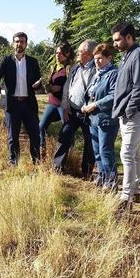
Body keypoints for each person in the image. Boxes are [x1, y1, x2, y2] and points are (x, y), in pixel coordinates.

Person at [111, 22, 140, 213]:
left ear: (129, 37)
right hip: (127, 111)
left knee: (126, 153)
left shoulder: (139, 55)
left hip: (136, 112)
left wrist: (129, 110)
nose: (115, 44)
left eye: (118, 39)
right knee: (133, 152)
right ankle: (135, 189)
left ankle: (125, 198)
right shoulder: (127, 56)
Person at [0, 32, 42, 165]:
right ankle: (13, 163)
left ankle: (36, 162)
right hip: (12, 104)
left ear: (26, 44)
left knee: (34, 135)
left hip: (29, 104)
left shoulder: (33, 62)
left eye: (22, 41)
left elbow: (38, 82)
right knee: (12, 137)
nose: (19, 44)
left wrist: (38, 85)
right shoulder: (6, 60)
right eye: (16, 41)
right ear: (13, 43)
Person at [52, 39, 97, 178]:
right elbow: (67, 88)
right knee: (64, 136)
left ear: (89, 54)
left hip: (89, 113)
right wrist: (65, 107)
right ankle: (57, 168)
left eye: (80, 51)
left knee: (90, 142)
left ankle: (86, 171)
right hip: (72, 111)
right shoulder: (75, 68)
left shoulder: (97, 69)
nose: (77, 54)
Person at [83, 43, 119, 190]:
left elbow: (113, 95)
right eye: (95, 58)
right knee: (97, 151)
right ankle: (102, 177)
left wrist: (95, 104)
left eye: (100, 59)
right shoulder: (98, 74)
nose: (96, 61)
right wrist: (86, 104)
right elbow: (91, 93)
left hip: (107, 119)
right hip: (93, 118)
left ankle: (111, 182)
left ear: (109, 58)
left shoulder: (113, 73)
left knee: (106, 151)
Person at [39, 43, 74, 152]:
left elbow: (73, 86)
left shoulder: (70, 68)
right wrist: (47, 87)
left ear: (67, 54)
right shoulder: (54, 67)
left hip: (64, 104)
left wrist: (61, 88)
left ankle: (70, 153)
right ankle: (42, 151)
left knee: (67, 129)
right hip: (52, 102)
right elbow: (50, 85)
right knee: (41, 126)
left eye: (60, 53)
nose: (57, 55)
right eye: (56, 53)